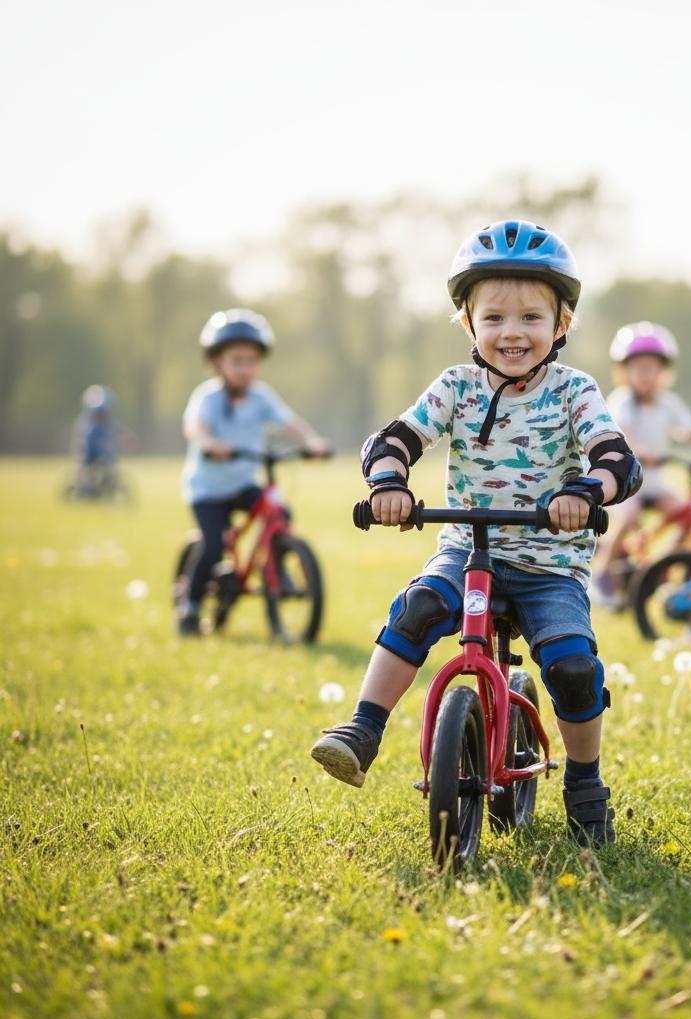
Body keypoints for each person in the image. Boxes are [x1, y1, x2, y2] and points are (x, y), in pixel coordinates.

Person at [310, 220, 642, 846]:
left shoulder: (575, 392)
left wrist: (584, 492)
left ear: (561, 324)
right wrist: (389, 485)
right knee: (417, 607)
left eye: (530, 318)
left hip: (550, 563)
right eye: (493, 318)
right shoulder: (456, 388)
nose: (511, 332)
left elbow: (618, 459)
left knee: (572, 668)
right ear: (468, 324)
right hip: (467, 551)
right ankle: (362, 729)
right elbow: (394, 440)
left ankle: (584, 781)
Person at [178, 309, 330, 636]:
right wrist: (209, 443)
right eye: (237, 361)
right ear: (217, 363)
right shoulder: (207, 398)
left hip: (243, 482)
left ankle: (277, 562)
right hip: (207, 489)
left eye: (251, 361)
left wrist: (311, 442)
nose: (245, 369)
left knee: (280, 511)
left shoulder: (262, 397)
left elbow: (290, 422)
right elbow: (195, 427)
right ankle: (189, 606)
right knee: (213, 544)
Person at [592, 323, 691, 607]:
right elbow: (623, 435)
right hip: (626, 484)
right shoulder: (621, 402)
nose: (647, 376)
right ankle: (602, 573)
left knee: (688, 516)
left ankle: (659, 564)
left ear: (663, 372)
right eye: (639, 369)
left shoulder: (669, 403)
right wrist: (640, 452)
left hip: (654, 483)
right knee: (629, 515)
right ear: (625, 372)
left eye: (653, 369)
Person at [72, 386, 120, 496]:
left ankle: (104, 488)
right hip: (90, 455)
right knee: (87, 473)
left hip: (104, 455)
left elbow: (118, 432)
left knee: (107, 470)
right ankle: (86, 490)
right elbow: (84, 443)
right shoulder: (88, 426)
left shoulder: (108, 424)